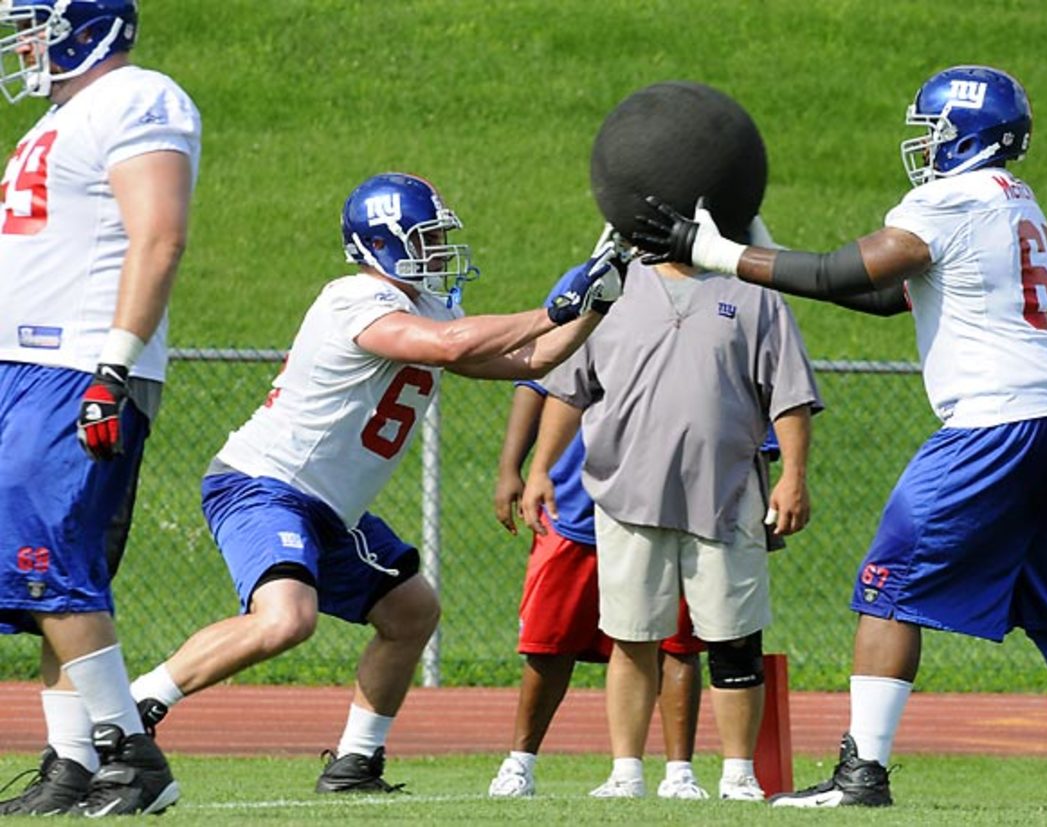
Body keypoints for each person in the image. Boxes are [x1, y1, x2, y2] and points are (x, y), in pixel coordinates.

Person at [634, 64, 1047, 811]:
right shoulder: (1008, 199)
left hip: (995, 418)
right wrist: (759, 242)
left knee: (886, 583)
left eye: (935, 129)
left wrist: (711, 251)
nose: (925, 144)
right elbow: (880, 294)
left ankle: (861, 774)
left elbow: (845, 267)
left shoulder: (949, 200)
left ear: (966, 135)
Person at [127, 172, 625, 795]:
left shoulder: (433, 306)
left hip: (329, 506)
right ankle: (133, 708)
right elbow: (445, 347)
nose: (440, 251)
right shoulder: (352, 299)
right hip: (265, 482)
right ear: (381, 245)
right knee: (286, 619)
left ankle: (355, 762)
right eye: (427, 238)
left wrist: (595, 306)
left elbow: (533, 359)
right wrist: (551, 308)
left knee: (412, 611)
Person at [520, 247, 823, 801]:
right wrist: (539, 467)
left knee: (734, 640)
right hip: (628, 497)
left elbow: (790, 396)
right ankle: (626, 773)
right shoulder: (610, 291)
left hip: (727, 494)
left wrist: (793, 477)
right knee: (632, 638)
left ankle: (738, 776)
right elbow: (568, 389)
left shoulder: (753, 292)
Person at [0, 0, 200, 816]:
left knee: (50, 556)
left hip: (76, 358)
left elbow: (159, 235)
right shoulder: (61, 115)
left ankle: (131, 754)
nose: (28, 45)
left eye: (39, 26)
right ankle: (72, 762)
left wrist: (112, 366)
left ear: (88, 25)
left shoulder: (137, 95)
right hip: (25, 363)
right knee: (42, 568)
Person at [487, 266, 707, 800]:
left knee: (677, 642)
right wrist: (512, 467)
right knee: (549, 641)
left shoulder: (712, 286)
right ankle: (520, 762)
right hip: (577, 498)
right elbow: (539, 376)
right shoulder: (595, 279)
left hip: (668, 498)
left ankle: (680, 772)